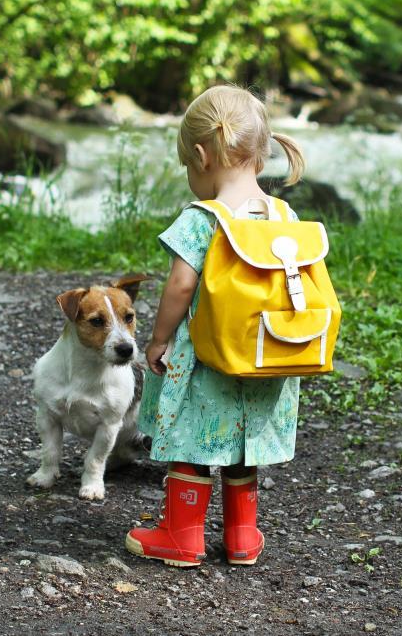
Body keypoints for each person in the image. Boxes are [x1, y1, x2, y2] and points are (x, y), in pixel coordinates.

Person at [125, 84, 306, 568]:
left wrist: (160, 339)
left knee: (193, 439)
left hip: (209, 358)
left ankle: (182, 536)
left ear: (202, 157)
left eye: (188, 165)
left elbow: (181, 286)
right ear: (260, 155)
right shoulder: (284, 215)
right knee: (242, 444)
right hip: (267, 354)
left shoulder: (203, 218)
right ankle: (243, 537)